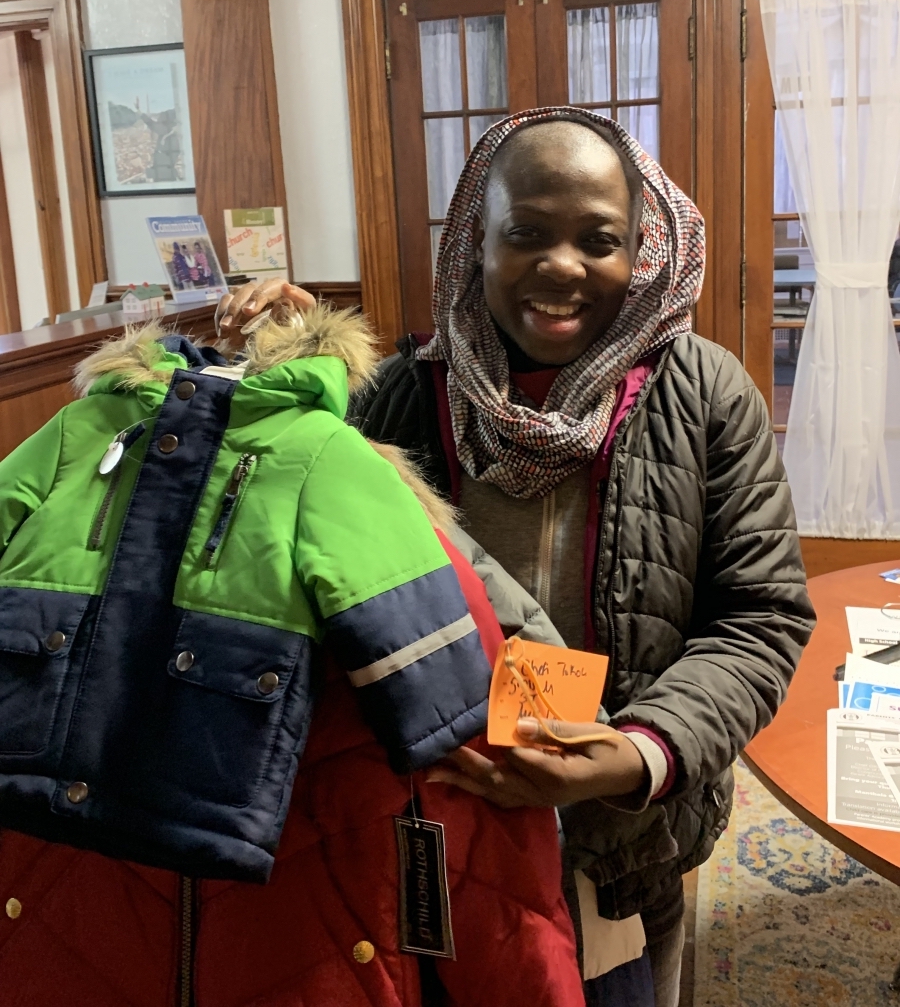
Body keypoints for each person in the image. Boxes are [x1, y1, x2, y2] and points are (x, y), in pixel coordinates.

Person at [218, 106, 816, 1007]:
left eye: (599, 240)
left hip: (625, 831)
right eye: (525, 234)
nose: (561, 267)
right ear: (475, 242)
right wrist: (294, 360)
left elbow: (760, 616)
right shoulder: (404, 392)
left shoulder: (705, 395)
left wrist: (639, 753)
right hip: (434, 816)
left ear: (643, 250)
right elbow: (287, 538)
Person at [0, 303, 582, 1005]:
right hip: (155, 880)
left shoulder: (323, 451)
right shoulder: (84, 432)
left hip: (289, 881)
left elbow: (455, 684)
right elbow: (453, 696)